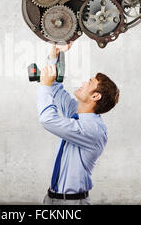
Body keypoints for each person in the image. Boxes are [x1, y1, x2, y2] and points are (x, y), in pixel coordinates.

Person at [37, 43, 120, 205]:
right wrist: (55, 55)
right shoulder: (77, 114)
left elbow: (47, 119)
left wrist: (44, 85)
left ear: (95, 96)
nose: (83, 83)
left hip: (73, 204)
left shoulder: (93, 129)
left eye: (89, 82)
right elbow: (56, 88)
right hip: (51, 199)